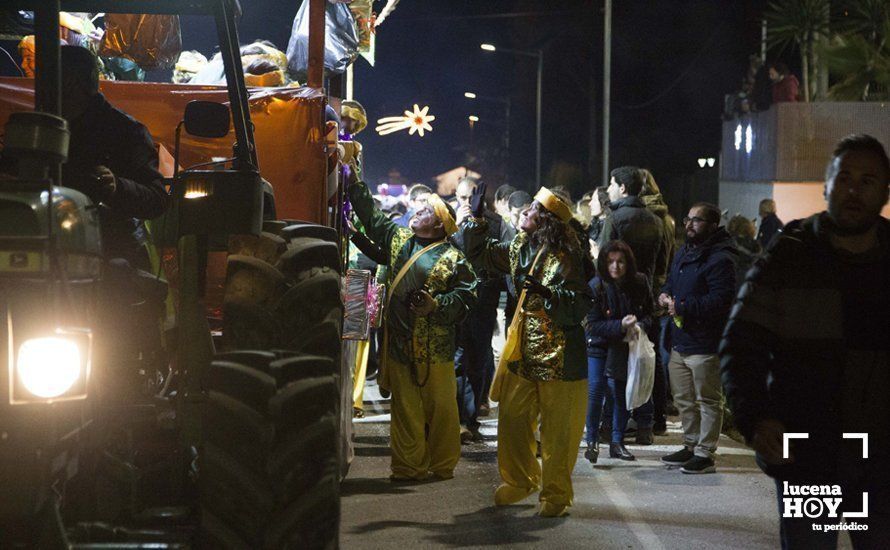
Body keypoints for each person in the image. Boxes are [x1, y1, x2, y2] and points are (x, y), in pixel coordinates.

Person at [721, 134, 890, 548]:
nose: (854, 189)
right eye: (845, 177)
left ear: (885, 192)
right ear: (826, 186)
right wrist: (756, 417)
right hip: (809, 455)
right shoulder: (790, 255)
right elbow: (742, 343)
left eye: (868, 180)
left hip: (883, 461)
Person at [461, 187, 592, 517]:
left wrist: (550, 293)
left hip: (561, 356)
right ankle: (521, 480)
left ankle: (556, 494)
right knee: (513, 418)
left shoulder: (569, 256)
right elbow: (481, 255)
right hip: (523, 349)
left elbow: (579, 304)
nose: (524, 213)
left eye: (532, 210)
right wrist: (477, 219)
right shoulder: (520, 245)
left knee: (559, 432)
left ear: (546, 220)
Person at [346, 167, 477, 481]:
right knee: (404, 411)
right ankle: (408, 467)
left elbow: (467, 296)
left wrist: (436, 305)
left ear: (439, 224)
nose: (418, 211)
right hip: (401, 345)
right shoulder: (399, 239)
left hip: (436, 349)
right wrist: (354, 183)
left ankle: (442, 463)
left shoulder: (453, 257)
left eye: (426, 210)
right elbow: (373, 218)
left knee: (442, 410)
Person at [60, 46, 168, 270]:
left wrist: (117, 186)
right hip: (44, 247)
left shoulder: (124, 130)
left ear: (74, 82)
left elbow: (157, 200)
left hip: (111, 251)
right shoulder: (37, 128)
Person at [658, 202, 738, 474]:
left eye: (697, 220)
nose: (689, 224)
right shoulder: (685, 251)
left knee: (708, 400)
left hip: (704, 342)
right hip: (680, 340)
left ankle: (705, 453)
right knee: (684, 399)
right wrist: (665, 294)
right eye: (688, 219)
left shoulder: (721, 258)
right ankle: (690, 445)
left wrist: (680, 306)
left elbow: (721, 300)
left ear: (713, 226)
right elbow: (671, 281)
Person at [600, 166, 663, 443]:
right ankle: (647, 425)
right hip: (646, 293)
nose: (610, 189)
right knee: (645, 360)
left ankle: (613, 427)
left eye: (612, 184)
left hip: (618, 296)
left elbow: (603, 260)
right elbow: (662, 262)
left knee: (616, 367)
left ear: (623, 188)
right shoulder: (656, 220)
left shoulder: (615, 217)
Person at [584, 241, 654, 464]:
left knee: (622, 394)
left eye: (621, 261)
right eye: (611, 261)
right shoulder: (596, 286)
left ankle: (617, 442)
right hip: (599, 346)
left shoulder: (639, 283)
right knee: (596, 393)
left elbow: (650, 315)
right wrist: (620, 326)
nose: (616, 266)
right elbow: (592, 324)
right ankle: (592, 440)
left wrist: (639, 326)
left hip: (626, 347)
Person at [638, 169, 677, 436]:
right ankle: (660, 415)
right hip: (662, 287)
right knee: (657, 355)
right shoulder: (667, 218)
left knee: (647, 355)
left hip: (649, 290)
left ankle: (651, 416)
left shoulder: (648, 218)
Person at [587, 187, 610, 258]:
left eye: (594, 200)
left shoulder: (610, 227)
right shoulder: (593, 226)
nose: (589, 204)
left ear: (603, 201)